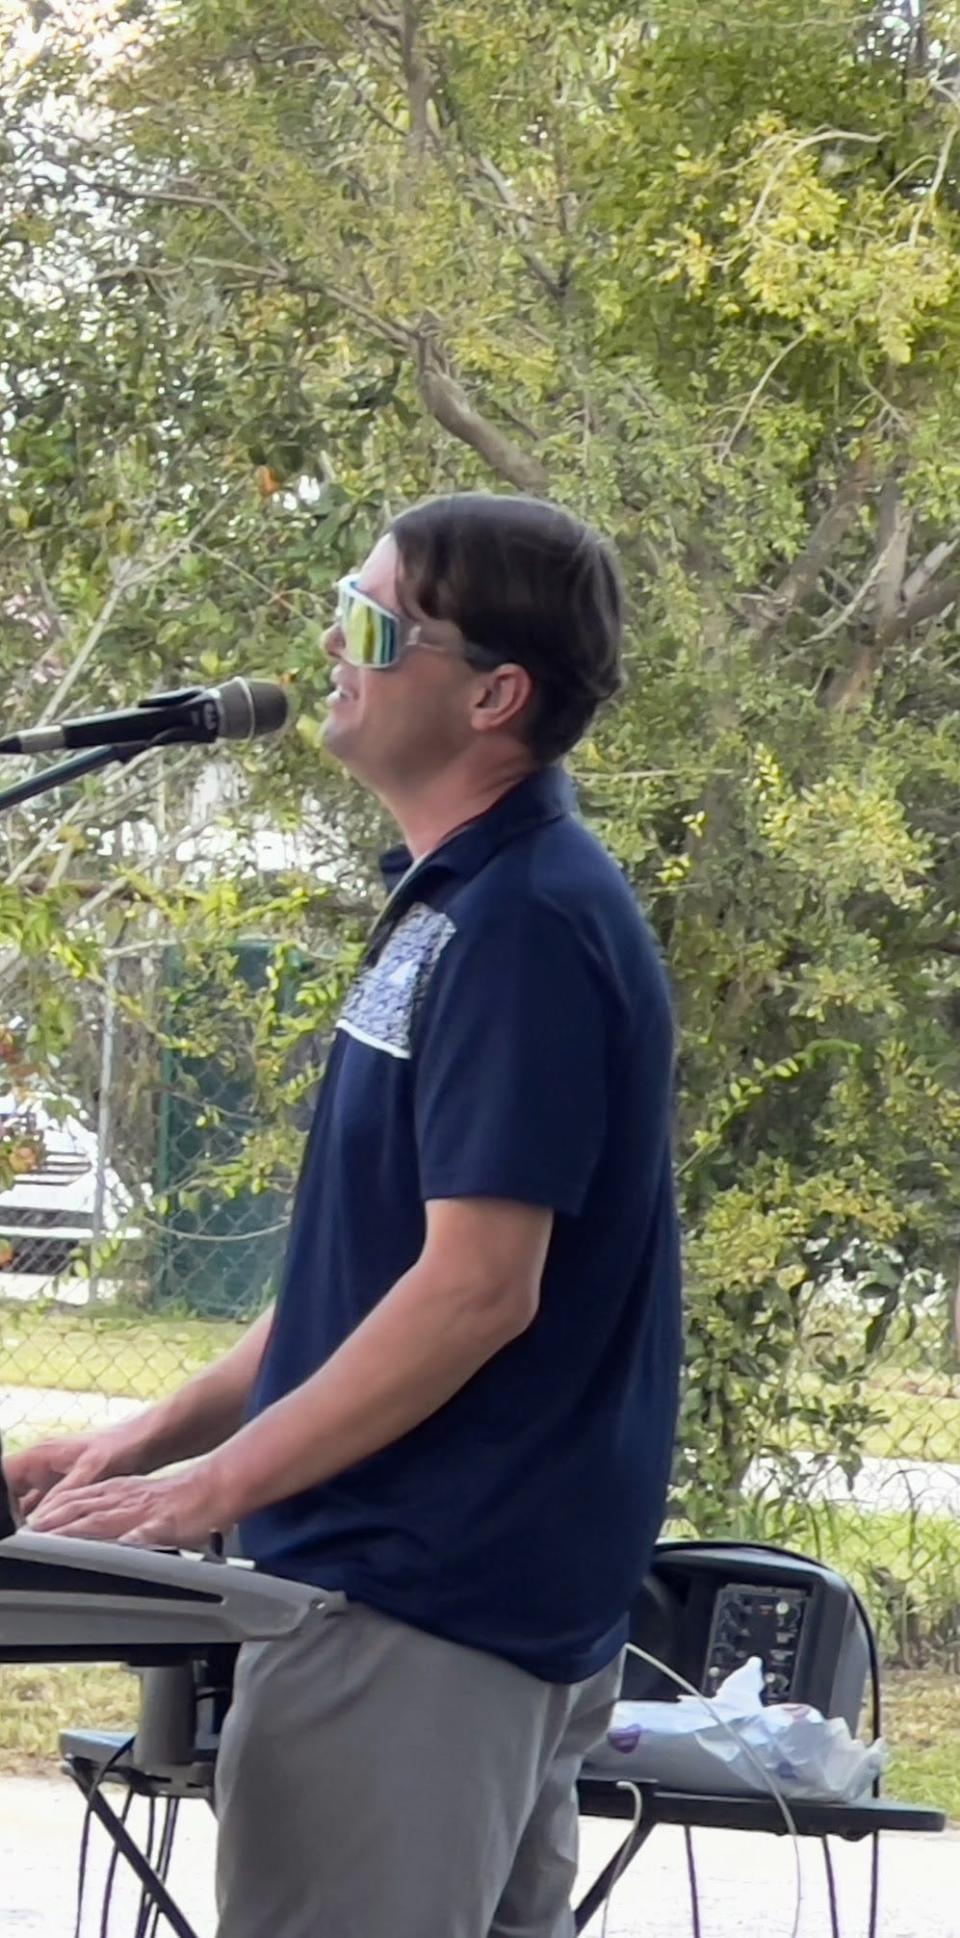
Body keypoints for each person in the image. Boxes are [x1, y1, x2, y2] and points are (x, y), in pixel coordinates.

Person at [4, 492, 682, 1938]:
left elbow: (477, 1290)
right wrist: (140, 1441)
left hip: (417, 1611)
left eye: (376, 623)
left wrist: (212, 1490)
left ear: (494, 694)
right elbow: (369, 1277)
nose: (335, 642)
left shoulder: (526, 924)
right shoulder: (455, 905)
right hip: (433, 1610)